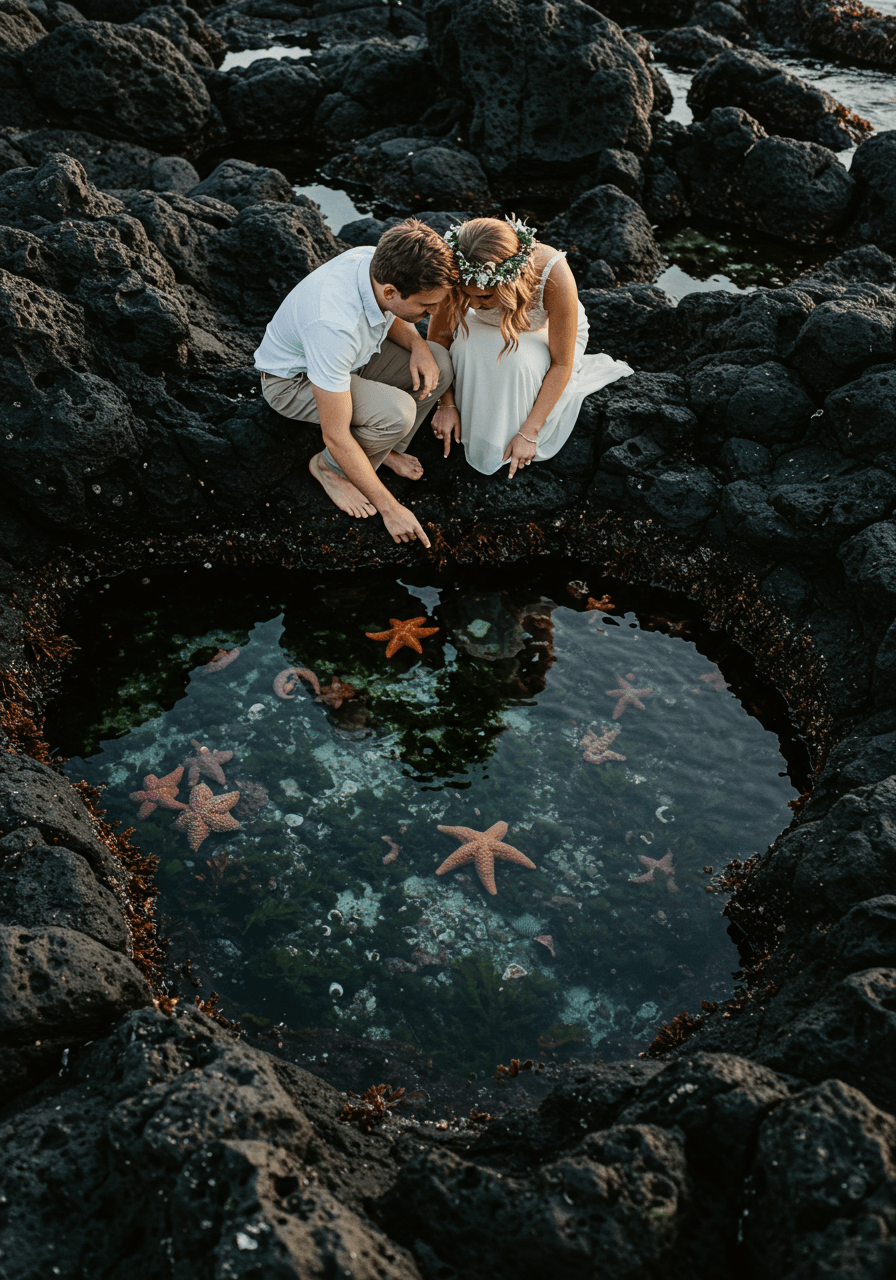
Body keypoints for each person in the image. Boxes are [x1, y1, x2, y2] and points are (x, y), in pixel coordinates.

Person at [255, 219, 456, 547]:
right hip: (292, 382)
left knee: (440, 363)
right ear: (391, 290)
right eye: (427, 306)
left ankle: (384, 449)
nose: (435, 312)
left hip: (352, 360)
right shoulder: (332, 326)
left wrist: (419, 345)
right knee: (397, 414)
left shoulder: (375, 262)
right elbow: (335, 435)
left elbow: (386, 313)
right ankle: (327, 469)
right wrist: (391, 508)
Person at [427, 215, 633, 478]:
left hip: (545, 329)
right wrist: (445, 404)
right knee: (462, 351)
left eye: (484, 296)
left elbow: (561, 363)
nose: (473, 305)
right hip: (486, 327)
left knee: (516, 363)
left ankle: (506, 434)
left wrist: (530, 432)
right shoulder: (458, 271)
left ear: (512, 280)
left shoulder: (553, 274)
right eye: (464, 294)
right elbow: (438, 341)